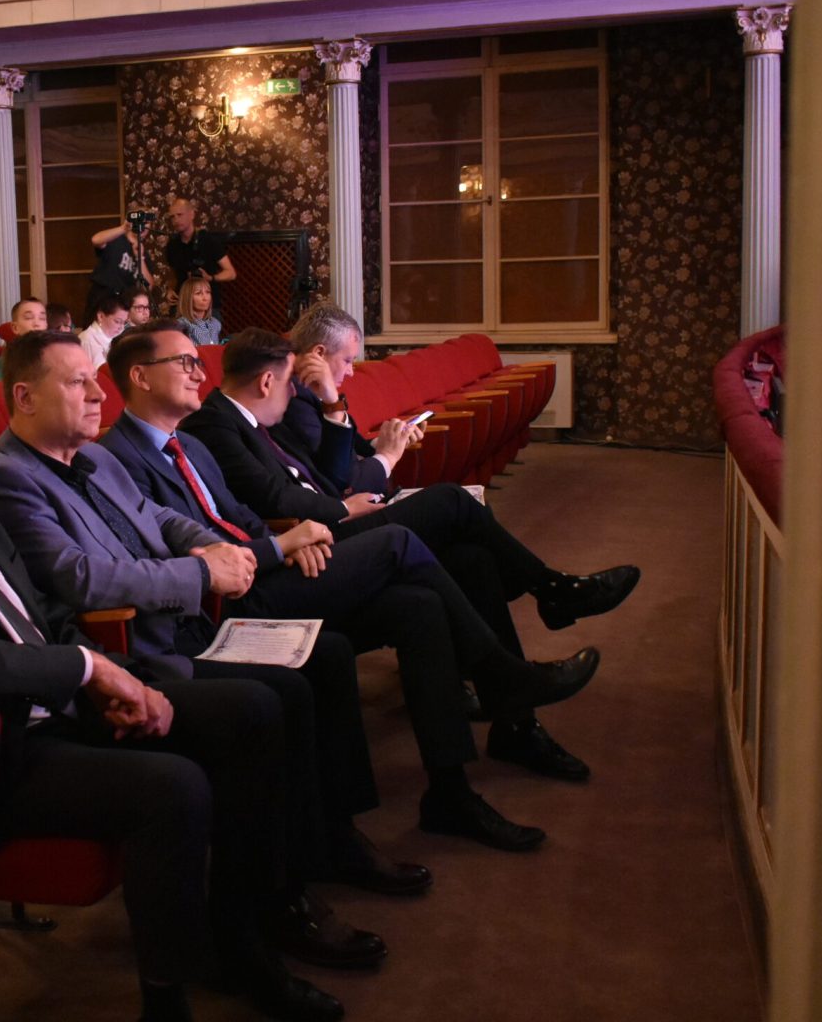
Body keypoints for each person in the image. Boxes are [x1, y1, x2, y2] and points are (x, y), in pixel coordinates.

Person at [0, 337, 347, 1022]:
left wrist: (104, 675)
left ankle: (247, 931)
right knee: (173, 786)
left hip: (56, 702)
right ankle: (170, 998)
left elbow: (45, 613)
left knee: (254, 711)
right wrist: (87, 667)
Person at [0, 331, 439, 901]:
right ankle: (276, 887)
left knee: (329, 652)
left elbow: (157, 517)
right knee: (277, 694)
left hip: (190, 616)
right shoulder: (6, 477)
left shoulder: (92, 454)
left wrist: (222, 552)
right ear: (24, 397)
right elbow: (82, 578)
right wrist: (202, 573)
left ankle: (332, 835)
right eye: (78, 382)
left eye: (94, 379)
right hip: (137, 646)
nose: (98, 394)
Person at [98, 324, 586, 840]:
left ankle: (451, 792)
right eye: (186, 363)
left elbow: (242, 516)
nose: (201, 374)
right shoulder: (118, 460)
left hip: (273, 563)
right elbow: (178, 553)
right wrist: (281, 546)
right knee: (403, 537)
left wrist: (289, 543)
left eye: (199, 362)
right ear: (141, 377)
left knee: (420, 602)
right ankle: (504, 671)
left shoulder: (190, 445)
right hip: (228, 602)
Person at [184, 329, 639, 779]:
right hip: (314, 540)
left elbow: (317, 479)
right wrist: (327, 517)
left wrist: (343, 432)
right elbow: (274, 500)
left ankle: (516, 721)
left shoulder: (257, 420)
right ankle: (547, 597)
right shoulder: (216, 424)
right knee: (449, 501)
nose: (295, 390)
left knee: (471, 559)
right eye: (289, 382)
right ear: (268, 381)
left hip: (321, 527)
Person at [163, 198, 236, 318]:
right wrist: (170, 290)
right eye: (172, 217)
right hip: (182, 304)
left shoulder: (208, 241)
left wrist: (211, 278)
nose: (176, 220)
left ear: (191, 214)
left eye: (180, 215)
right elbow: (173, 274)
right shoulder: (172, 244)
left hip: (206, 306)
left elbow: (231, 273)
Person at [87, 217, 153, 322]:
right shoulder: (115, 239)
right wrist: (123, 228)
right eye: (140, 221)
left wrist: (140, 257)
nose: (143, 225)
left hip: (124, 302)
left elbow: (147, 287)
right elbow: (96, 240)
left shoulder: (144, 254)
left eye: (147, 222)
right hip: (102, 295)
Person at [0, 297, 47, 382]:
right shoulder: (6, 363)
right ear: (15, 327)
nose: (37, 323)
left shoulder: (53, 356)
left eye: (42, 318)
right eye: (29, 317)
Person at [79, 292, 128, 371]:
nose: (121, 327)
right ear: (101, 316)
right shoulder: (88, 340)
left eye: (124, 323)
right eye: (117, 321)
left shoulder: (119, 337)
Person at [176, 274, 222, 346]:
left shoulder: (215, 323)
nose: (205, 298)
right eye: (198, 293)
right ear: (187, 298)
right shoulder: (182, 324)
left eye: (208, 292)